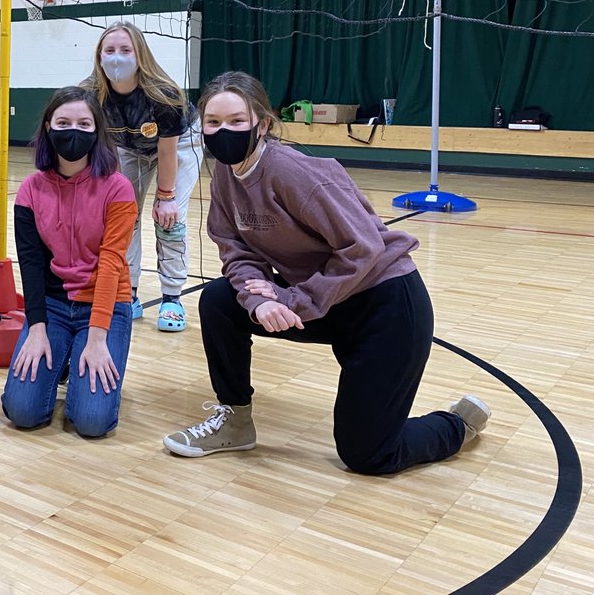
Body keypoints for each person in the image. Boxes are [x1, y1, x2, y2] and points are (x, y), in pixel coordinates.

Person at [163, 71, 491, 473]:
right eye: (213, 123)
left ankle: (457, 424)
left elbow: (364, 247)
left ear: (263, 124)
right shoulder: (226, 178)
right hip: (328, 303)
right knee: (219, 301)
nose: (223, 131)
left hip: (383, 306)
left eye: (236, 121)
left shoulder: (296, 173)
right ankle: (235, 420)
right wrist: (257, 298)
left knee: (368, 455)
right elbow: (235, 251)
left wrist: (292, 300)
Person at [1, 86, 137, 438]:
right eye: (62, 122)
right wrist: (36, 328)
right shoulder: (30, 189)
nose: (72, 131)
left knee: (92, 422)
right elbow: (30, 265)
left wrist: (96, 338)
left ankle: (79, 356)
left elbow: (111, 264)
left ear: (96, 131)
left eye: (83, 123)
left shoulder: (118, 188)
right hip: (54, 305)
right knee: (22, 412)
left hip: (105, 307)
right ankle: (60, 357)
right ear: (48, 127)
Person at [84, 22, 203, 332]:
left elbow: (167, 152)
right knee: (124, 217)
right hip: (128, 148)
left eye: (125, 50)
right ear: (99, 56)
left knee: (170, 219)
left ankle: (172, 298)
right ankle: (128, 293)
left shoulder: (164, 95)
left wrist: (165, 198)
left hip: (180, 143)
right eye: (109, 51)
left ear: (140, 56)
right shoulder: (91, 93)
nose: (116, 57)